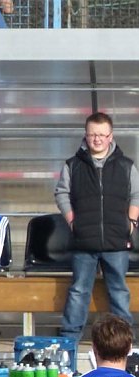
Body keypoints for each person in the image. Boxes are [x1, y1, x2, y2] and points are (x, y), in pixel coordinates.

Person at [56, 112, 139, 342]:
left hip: (116, 242)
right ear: (86, 135)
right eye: (93, 134)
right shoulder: (73, 165)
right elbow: (61, 193)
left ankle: (124, 343)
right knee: (78, 292)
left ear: (110, 136)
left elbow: (137, 195)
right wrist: (72, 220)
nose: (97, 139)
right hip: (84, 242)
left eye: (102, 134)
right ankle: (69, 342)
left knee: (119, 292)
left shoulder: (126, 165)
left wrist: (131, 222)